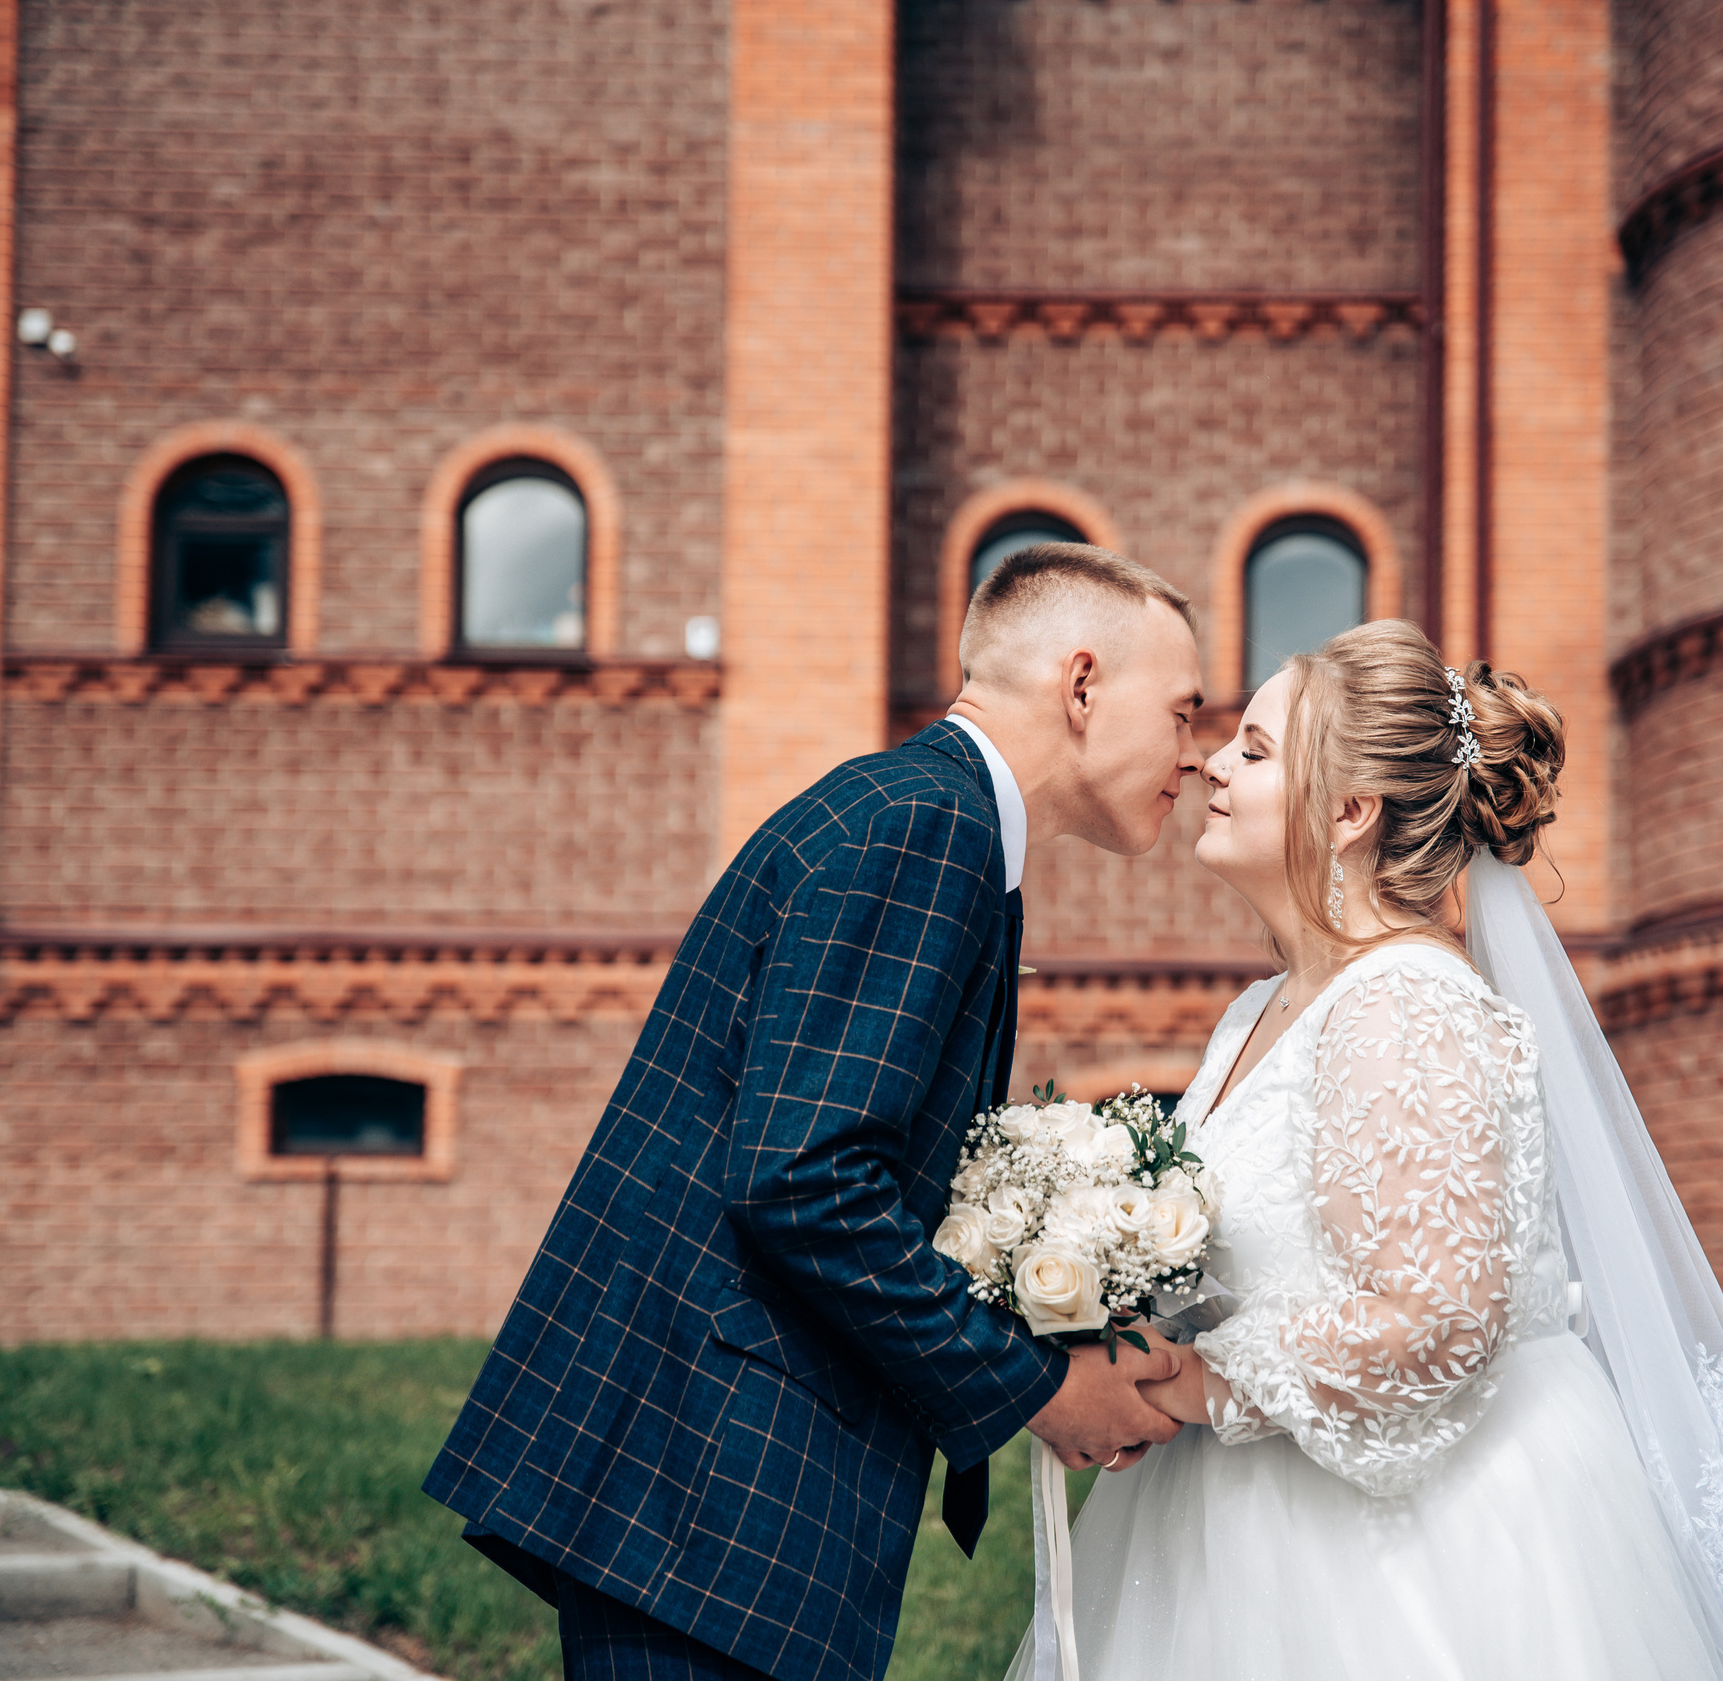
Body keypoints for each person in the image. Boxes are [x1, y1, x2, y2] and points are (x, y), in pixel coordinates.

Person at [426, 544, 1205, 1681]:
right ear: (1081, 685)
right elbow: (806, 1177)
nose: (1194, 751)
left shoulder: (921, 817)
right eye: (1182, 711)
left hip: (700, 1483)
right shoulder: (924, 828)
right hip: (714, 1484)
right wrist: (1036, 1386)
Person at [1022, 620, 1723, 1681]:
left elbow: (1438, 1318)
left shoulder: (1405, 1003)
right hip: (1229, 1521)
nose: (1212, 763)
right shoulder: (1261, 1009)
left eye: (1255, 749)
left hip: (1410, 1544)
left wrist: (1189, 1382)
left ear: (1349, 811)